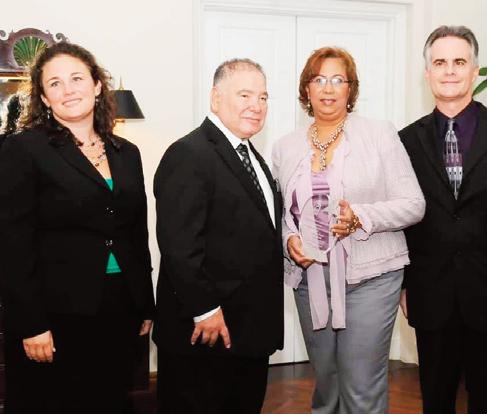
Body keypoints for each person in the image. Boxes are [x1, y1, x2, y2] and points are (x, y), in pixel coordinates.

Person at [0, 42, 154, 414]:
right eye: (55, 83)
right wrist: (30, 323)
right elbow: (12, 244)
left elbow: (136, 232)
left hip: (120, 305)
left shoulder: (127, 152)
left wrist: (144, 303)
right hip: (55, 313)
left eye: (76, 78)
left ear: (97, 85)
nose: (68, 89)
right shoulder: (24, 149)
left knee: (109, 400)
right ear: (44, 97)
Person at [272, 47, 425, 414]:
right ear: (306, 88)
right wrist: (289, 238)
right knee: (326, 384)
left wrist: (360, 216)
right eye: (319, 79)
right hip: (310, 281)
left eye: (338, 79)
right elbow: (281, 214)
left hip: (370, 279)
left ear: (350, 89)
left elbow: (413, 203)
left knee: (361, 387)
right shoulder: (284, 147)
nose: (328, 88)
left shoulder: (379, 134)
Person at [153, 58, 283, 414]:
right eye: (245, 95)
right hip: (206, 333)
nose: (256, 106)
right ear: (215, 98)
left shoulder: (251, 155)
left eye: (263, 97)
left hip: (247, 332)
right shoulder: (189, 154)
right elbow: (179, 246)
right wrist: (205, 310)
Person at [399, 25, 487, 414]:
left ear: (474, 70)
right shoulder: (404, 142)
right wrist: (402, 284)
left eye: (459, 62)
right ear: (427, 73)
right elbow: (400, 221)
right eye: (440, 63)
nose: (449, 70)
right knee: (436, 401)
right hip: (430, 293)